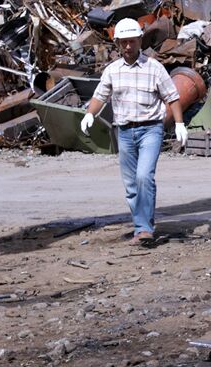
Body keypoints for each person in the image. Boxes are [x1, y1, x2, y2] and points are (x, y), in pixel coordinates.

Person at [80, 18, 188, 245]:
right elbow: (100, 96)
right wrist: (90, 114)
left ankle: (145, 229)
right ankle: (142, 227)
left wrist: (179, 124)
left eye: (132, 41)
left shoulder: (154, 68)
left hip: (151, 130)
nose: (128, 47)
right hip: (125, 132)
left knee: (143, 176)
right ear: (117, 43)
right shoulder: (112, 71)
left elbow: (172, 97)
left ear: (140, 40)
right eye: (123, 42)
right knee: (131, 185)